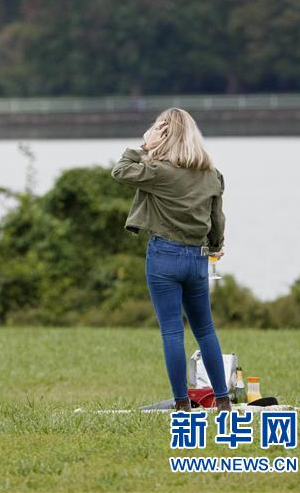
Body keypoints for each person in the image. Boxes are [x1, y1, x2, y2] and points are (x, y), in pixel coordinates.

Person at [111, 108, 231, 412]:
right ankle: (223, 399)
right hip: (198, 259)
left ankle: (181, 402)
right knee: (205, 330)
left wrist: (142, 146)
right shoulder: (211, 175)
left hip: (164, 256)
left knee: (172, 331)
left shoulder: (159, 172)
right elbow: (217, 220)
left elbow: (121, 170)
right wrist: (215, 246)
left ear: (164, 135)